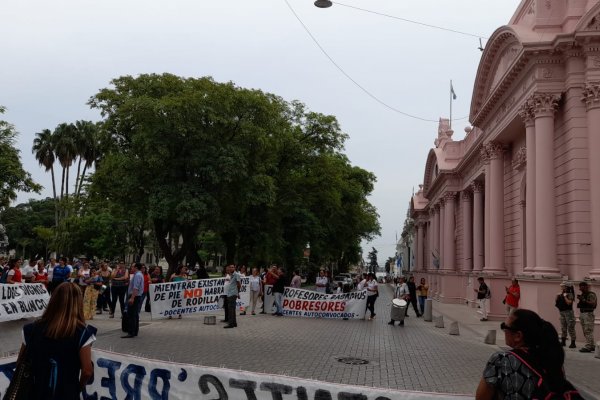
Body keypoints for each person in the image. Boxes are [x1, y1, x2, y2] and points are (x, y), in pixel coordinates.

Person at [476, 309, 578, 399]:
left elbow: (481, 397)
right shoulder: (552, 359)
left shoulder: (501, 360)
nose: (503, 330)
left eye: (504, 326)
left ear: (518, 336)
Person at [19, 282, 96, 399]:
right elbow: (87, 371)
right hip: (66, 392)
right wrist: (78, 388)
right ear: (78, 303)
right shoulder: (83, 333)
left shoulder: (30, 329)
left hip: (35, 391)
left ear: (53, 300)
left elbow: (20, 361)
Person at [122, 262, 144, 338]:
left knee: (131, 314)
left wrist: (132, 298)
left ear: (136, 268)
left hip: (135, 296)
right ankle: (134, 331)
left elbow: (136, 287)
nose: (131, 268)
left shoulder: (138, 275)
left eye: (132, 267)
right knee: (135, 315)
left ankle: (131, 332)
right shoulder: (138, 274)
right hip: (136, 296)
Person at [576, 281, 597, 353]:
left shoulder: (591, 294)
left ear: (586, 287)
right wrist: (580, 300)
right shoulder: (583, 294)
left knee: (588, 330)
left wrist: (583, 300)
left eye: (582, 287)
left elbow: (593, 304)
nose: (580, 289)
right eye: (580, 287)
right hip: (583, 313)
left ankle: (588, 346)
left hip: (588, 314)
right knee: (585, 331)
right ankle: (591, 345)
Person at [555, 281, 576, 349]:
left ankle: (573, 342)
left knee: (570, 327)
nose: (562, 288)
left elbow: (569, 303)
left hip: (568, 312)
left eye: (563, 286)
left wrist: (565, 297)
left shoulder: (570, 294)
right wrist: (557, 296)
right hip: (562, 312)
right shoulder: (561, 294)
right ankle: (563, 341)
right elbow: (556, 302)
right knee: (563, 327)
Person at [224, 264, 241, 328]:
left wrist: (237, 292)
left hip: (233, 294)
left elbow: (239, 284)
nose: (231, 268)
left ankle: (231, 324)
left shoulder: (236, 275)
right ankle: (234, 323)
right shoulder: (230, 275)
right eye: (230, 267)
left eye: (232, 267)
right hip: (230, 293)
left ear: (234, 268)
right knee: (232, 309)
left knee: (231, 309)